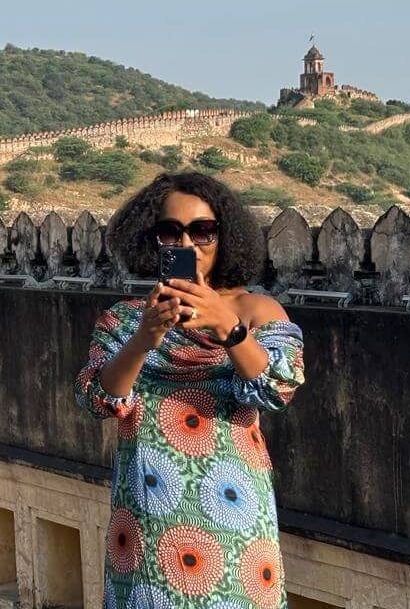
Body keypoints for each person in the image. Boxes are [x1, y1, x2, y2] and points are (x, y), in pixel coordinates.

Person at [74, 172, 305, 609]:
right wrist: (144, 339)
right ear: (152, 239)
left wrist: (228, 328)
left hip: (232, 516)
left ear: (224, 236)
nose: (187, 245)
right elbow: (96, 398)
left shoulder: (257, 311)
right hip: (147, 517)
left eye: (202, 231)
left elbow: (278, 387)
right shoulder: (125, 320)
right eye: (170, 231)